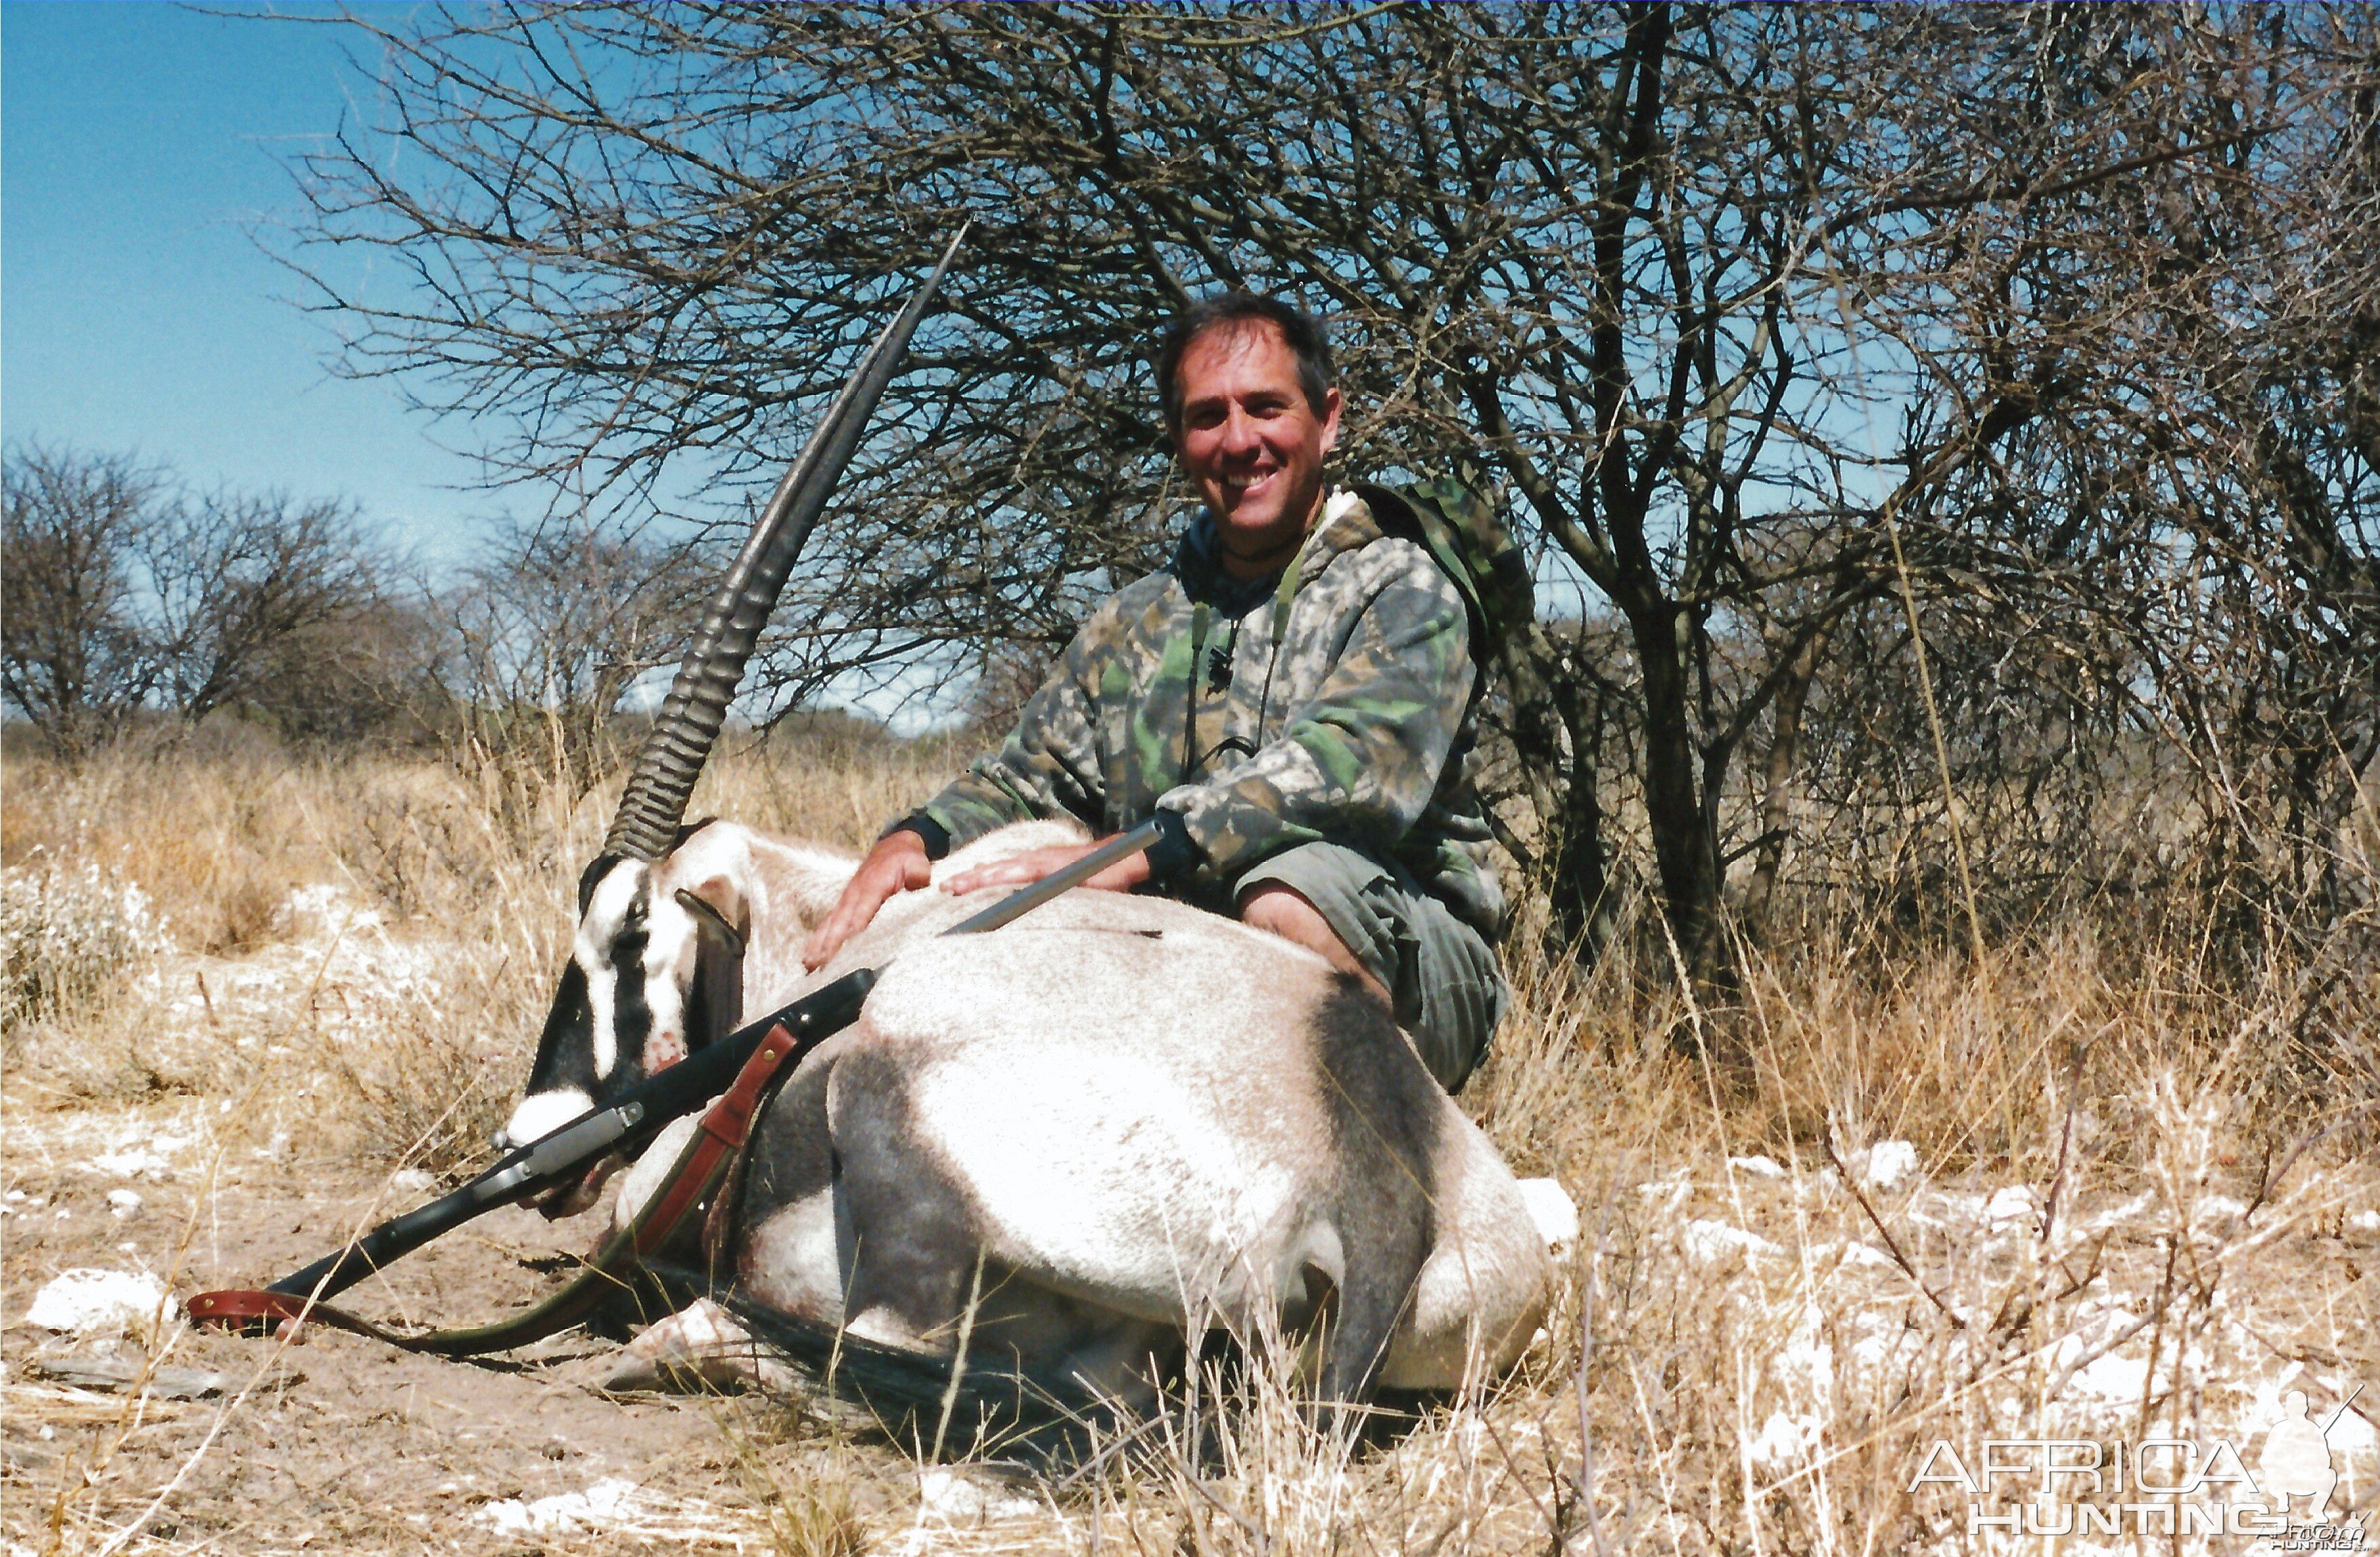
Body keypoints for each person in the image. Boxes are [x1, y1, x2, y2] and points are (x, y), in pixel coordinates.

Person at [801, 293, 1507, 1090]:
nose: (1240, 440)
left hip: (1405, 953)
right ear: (1179, 441)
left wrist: (1137, 851)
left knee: (1287, 899)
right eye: (1208, 417)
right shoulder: (1134, 618)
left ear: (1328, 419)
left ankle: (1398, 1177)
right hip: (1186, 953)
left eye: (1266, 408)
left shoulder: (1404, 585)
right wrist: (918, 840)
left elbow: (1353, 767)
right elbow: (1024, 778)